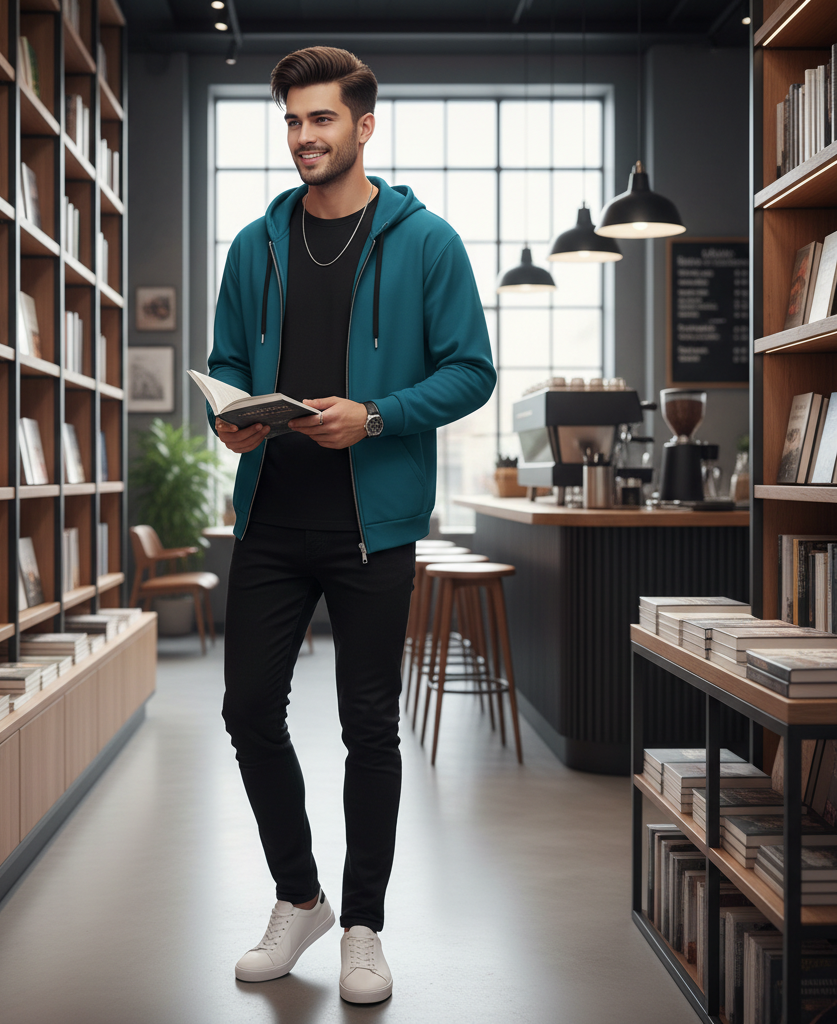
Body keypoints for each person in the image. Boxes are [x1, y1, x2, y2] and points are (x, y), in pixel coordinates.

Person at [207, 46, 496, 1005]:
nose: (303, 137)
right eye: (292, 120)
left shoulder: (427, 242)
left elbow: (471, 372)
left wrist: (374, 417)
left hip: (374, 524)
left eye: (321, 119)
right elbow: (224, 362)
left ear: (364, 125)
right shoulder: (255, 245)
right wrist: (229, 419)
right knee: (249, 710)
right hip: (270, 517)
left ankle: (363, 926)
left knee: (369, 726)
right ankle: (300, 899)